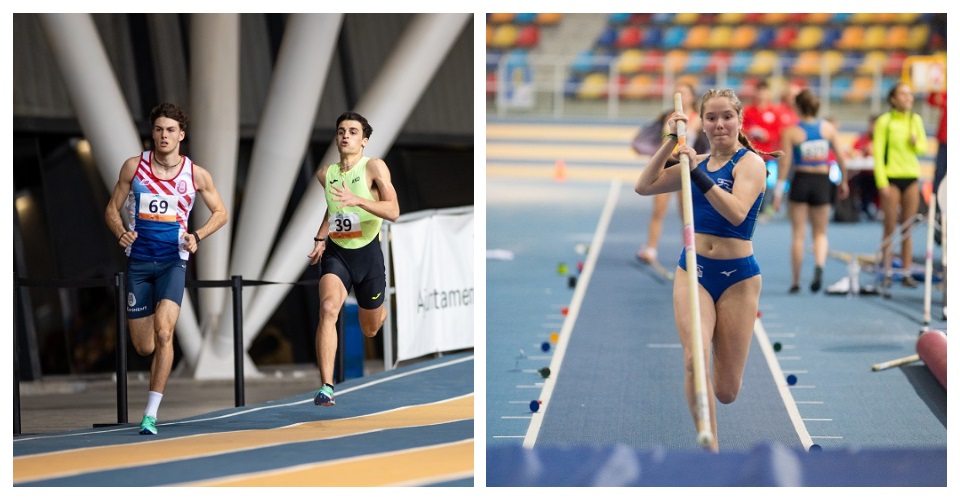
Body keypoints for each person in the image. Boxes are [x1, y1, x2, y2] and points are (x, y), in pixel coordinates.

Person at [634, 88, 780, 451]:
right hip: (693, 270)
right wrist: (671, 140)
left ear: (739, 120)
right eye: (711, 118)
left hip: (738, 279)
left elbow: (736, 213)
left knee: (726, 391)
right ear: (702, 122)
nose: (719, 125)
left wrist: (697, 174)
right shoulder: (693, 161)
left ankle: (715, 424)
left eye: (727, 117)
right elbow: (644, 186)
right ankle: (710, 452)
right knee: (693, 359)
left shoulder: (750, 164)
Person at [104, 102, 228, 435]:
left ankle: (150, 414)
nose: (164, 135)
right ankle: (151, 403)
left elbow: (221, 213)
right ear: (153, 133)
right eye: (159, 129)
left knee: (164, 332)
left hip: (174, 262)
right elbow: (111, 210)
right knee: (144, 346)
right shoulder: (134, 167)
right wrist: (121, 232)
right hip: (139, 264)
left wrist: (196, 236)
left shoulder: (196, 174)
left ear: (181, 135)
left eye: (171, 130)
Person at [307, 111, 399, 406]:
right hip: (338, 254)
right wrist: (320, 238)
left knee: (369, 329)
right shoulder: (326, 174)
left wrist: (357, 199)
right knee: (328, 308)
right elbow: (334, 208)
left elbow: (393, 211)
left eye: (353, 131)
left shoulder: (373, 167)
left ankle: (380, 310)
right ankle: (327, 386)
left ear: (364, 140)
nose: (346, 135)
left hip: (368, 255)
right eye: (341, 131)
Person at [772, 89, 850, 293]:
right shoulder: (828, 129)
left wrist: (778, 192)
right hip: (822, 181)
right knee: (820, 233)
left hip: (801, 180)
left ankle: (796, 281)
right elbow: (841, 158)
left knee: (798, 235)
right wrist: (844, 181)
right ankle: (819, 265)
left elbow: (785, 164)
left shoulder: (791, 132)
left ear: (797, 108)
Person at [635, 79, 710, 265]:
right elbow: (663, 141)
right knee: (658, 210)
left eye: (684, 93)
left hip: (686, 166)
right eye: (677, 92)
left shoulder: (698, 119)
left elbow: (703, 144)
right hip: (667, 164)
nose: (680, 96)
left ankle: (690, 251)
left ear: (692, 97)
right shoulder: (668, 117)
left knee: (686, 213)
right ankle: (651, 249)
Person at [873, 81, 927, 291]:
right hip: (891, 178)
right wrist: (882, 182)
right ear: (893, 99)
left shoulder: (915, 120)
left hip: (911, 177)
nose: (908, 98)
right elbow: (878, 153)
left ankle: (906, 272)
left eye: (910, 94)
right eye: (903, 94)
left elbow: (922, 149)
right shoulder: (885, 122)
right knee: (890, 226)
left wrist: (916, 143)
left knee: (907, 228)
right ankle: (886, 271)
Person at [742, 79, 795, 213]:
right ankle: (749, 207)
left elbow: (779, 132)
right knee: (750, 182)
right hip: (751, 153)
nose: (761, 95)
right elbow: (740, 129)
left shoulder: (775, 112)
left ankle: (766, 208)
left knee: (768, 182)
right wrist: (750, 132)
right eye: (759, 92)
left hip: (769, 154)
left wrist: (767, 136)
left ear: (768, 93)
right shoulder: (748, 111)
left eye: (764, 92)